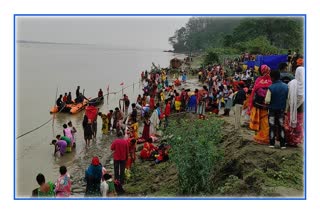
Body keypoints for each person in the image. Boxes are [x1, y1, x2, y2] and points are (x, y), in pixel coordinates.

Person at [248, 65, 273, 145]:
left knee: (260, 121)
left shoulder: (258, 80)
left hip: (258, 105)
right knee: (266, 122)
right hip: (268, 105)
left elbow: (253, 92)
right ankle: (265, 137)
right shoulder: (271, 80)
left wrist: (251, 105)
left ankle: (261, 137)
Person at [265, 70, 288, 149]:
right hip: (281, 110)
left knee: (272, 127)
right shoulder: (286, 86)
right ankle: (283, 144)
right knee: (281, 126)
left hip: (272, 110)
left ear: (272, 78)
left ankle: (272, 143)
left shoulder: (271, 87)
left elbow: (267, 100)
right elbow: (288, 99)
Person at [285, 65, 304, 146]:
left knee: (290, 124)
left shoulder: (292, 83)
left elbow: (287, 95)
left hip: (291, 108)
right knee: (299, 126)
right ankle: (296, 141)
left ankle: (290, 141)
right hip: (301, 109)